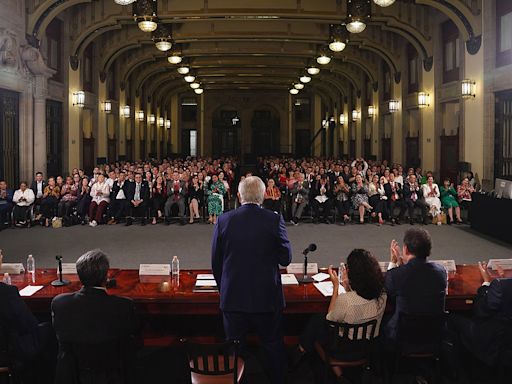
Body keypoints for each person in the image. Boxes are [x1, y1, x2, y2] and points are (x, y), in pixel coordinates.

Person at [211, 176, 292, 384]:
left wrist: (225, 289)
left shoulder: (223, 220)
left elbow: (216, 262)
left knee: (235, 348)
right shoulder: (274, 219)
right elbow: (286, 259)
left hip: (233, 297)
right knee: (272, 345)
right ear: (264, 196)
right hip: (267, 297)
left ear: (239, 196)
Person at [51, 249, 138, 384]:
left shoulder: (59, 303)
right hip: (113, 373)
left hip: (72, 374)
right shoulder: (124, 305)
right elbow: (133, 337)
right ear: (106, 276)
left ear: (79, 276)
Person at [294, 249, 387, 364]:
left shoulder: (346, 300)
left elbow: (330, 317)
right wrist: (347, 287)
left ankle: (301, 350)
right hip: (368, 347)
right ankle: (339, 374)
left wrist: (336, 287)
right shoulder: (382, 294)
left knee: (317, 320)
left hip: (343, 349)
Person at [0, 251, 55, 384]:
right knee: (50, 329)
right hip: (8, 352)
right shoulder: (6, 293)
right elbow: (28, 326)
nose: (2, 256)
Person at [384, 228, 447, 342]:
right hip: (432, 335)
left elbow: (387, 291)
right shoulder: (441, 272)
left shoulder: (396, 275)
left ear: (406, 249)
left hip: (403, 336)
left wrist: (394, 262)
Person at [449, 262, 512, 368]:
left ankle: (456, 367)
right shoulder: (503, 285)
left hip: (490, 337)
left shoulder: (499, 286)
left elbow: (480, 310)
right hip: (507, 337)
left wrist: (487, 283)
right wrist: (502, 279)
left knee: (450, 317)